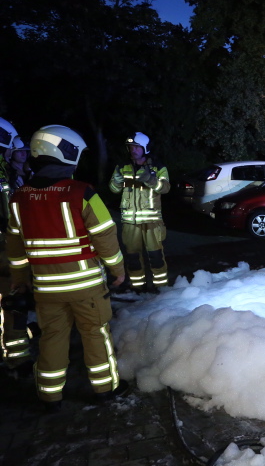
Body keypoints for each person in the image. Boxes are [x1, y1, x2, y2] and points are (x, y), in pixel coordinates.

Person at [5, 125, 128, 411]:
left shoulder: (19, 198)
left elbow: (15, 249)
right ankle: (106, 389)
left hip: (46, 290)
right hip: (85, 287)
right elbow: (106, 236)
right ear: (66, 153)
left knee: (51, 338)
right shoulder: (82, 193)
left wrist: (20, 281)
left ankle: (49, 396)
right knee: (95, 334)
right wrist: (118, 270)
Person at [109, 132, 170, 292]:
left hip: (152, 221)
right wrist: (116, 181)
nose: (132, 150)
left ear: (145, 148)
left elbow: (165, 188)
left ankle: (161, 287)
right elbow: (114, 189)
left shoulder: (158, 167)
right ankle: (137, 287)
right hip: (130, 221)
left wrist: (151, 179)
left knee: (156, 256)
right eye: (130, 147)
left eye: (136, 147)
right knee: (132, 257)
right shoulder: (122, 167)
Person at [0, 117, 34, 373]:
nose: (18, 153)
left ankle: (18, 354)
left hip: (14, 244)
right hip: (9, 246)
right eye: (15, 148)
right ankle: (18, 357)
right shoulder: (7, 176)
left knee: (17, 299)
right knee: (15, 297)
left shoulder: (18, 175)